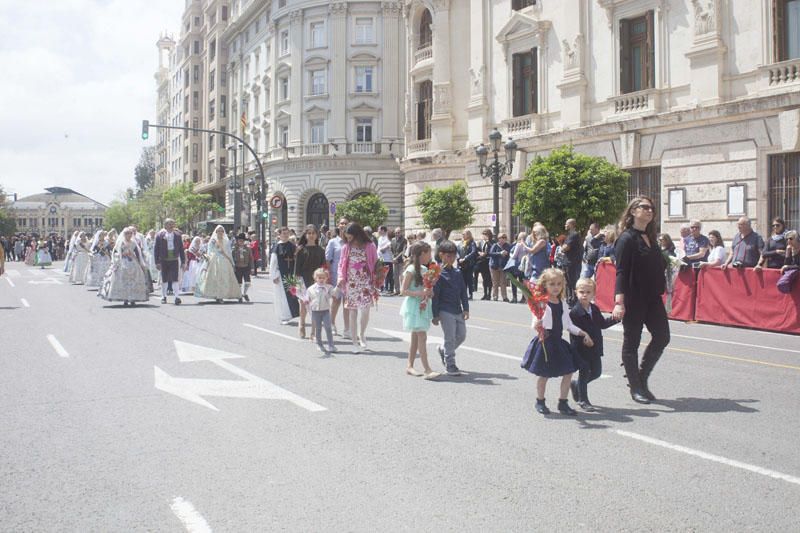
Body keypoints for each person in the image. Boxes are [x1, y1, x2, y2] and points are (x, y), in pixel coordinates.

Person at [612, 196, 670, 404]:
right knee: (632, 342)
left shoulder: (651, 238)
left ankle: (641, 377)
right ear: (633, 211)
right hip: (633, 297)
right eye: (644, 207)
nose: (649, 210)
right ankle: (635, 387)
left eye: (652, 208)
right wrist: (619, 302)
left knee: (662, 336)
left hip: (653, 298)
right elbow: (620, 271)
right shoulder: (626, 238)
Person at [520, 268, 589, 416]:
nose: (556, 287)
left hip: (558, 342)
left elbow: (568, 324)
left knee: (569, 372)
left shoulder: (562, 302)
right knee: (544, 375)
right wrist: (537, 325)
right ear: (545, 285)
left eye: (559, 284)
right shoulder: (541, 303)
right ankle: (540, 400)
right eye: (552, 284)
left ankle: (563, 403)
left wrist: (582, 332)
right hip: (545, 341)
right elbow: (535, 321)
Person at [569, 278, 617, 411]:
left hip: (595, 347)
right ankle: (583, 400)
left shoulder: (594, 309)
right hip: (581, 349)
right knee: (584, 373)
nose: (584, 294)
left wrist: (616, 318)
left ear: (593, 294)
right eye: (581, 292)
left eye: (588, 292)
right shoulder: (575, 312)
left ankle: (576, 385)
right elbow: (573, 332)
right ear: (576, 293)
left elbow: (602, 324)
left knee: (596, 372)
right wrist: (583, 339)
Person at [399, 241, 441, 380]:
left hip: (423, 304)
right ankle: (427, 369)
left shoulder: (424, 269)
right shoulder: (411, 269)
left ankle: (409, 366)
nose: (431, 255)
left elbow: (427, 287)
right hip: (413, 306)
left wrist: (429, 292)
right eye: (429, 252)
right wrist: (420, 293)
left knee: (416, 337)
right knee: (422, 336)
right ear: (422, 254)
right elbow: (403, 291)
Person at [336, 222, 378, 353]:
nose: (348, 240)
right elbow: (341, 263)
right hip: (351, 283)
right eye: (346, 237)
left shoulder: (370, 246)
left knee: (365, 311)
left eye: (350, 237)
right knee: (352, 311)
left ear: (357, 235)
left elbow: (376, 262)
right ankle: (354, 342)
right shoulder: (346, 247)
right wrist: (340, 277)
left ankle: (362, 334)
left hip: (365, 282)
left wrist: (377, 279)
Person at [432, 241, 469, 376]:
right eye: (448, 256)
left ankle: (443, 350)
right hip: (444, 309)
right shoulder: (438, 273)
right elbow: (435, 296)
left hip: (457, 309)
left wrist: (466, 308)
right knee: (450, 337)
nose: (451, 259)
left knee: (462, 335)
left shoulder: (458, 272)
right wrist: (435, 315)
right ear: (441, 255)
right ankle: (450, 364)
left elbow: (463, 292)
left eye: (454, 256)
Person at [98, 227, 149, 306]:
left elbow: (138, 253)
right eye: (127, 234)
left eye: (130, 234)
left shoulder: (133, 243)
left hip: (133, 262)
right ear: (124, 235)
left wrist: (140, 263)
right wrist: (120, 256)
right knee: (123, 280)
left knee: (134, 280)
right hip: (123, 262)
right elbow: (115, 252)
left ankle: (133, 298)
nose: (129, 235)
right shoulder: (120, 242)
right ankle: (125, 298)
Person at [195, 225, 242, 303]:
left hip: (225, 260)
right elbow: (210, 250)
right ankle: (218, 295)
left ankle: (234, 294)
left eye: (221, 231)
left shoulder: (226, 241)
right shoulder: (213, 240)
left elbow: (228, 251)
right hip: (215, 260)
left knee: (227, 278)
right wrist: (210, 257)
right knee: (216, 277)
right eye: (218, 231)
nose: (220, 232)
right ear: (216, 232)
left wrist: (231, 262)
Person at [295, 225, 326, 338]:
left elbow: (323, 268)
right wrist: (297, 283)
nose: (311, 235)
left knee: (316, 307)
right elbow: (296, 269)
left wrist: (323, 282)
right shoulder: (301, 250)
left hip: (316, 281)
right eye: (309, 233)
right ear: (306, 235)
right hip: (303, 280)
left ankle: (314, 331)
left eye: (313, 233)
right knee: (303, 304)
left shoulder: (321, 250)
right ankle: (302, 324)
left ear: (317, 235)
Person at [270, 227, 300, 325]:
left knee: (292, 295)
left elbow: (296, 259)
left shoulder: (292, 245)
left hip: (291, 274)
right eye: (283, 233)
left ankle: (291, 314)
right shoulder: (277, 247)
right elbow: (273, 262)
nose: (286, 235)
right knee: (282, 296)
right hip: (280, 274)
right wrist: (274, 275)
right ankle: (283, 316)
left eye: (287, 233)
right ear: (280, 235)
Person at [326, 218, 350, 335]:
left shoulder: (351, 242)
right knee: (336, 301)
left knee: (347, 302)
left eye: (345, 223)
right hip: (336, 275)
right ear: (338, 225)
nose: (343, 225)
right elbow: (328, 260)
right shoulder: (333, 242)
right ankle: (331, 323)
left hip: (349, 276)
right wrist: (329, 276)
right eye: (341, 223)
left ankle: (347, 328)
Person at [306, 268, 337, 354]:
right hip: (315, 311)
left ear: (326, 278)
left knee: (328, 327)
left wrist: (338, 286)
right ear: (315, 278)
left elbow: (334, 294)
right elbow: (306, 299)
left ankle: (331, 345)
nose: (321, 279)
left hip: (325, 310)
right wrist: (304, 299)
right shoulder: (310, 289)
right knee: (318, 328)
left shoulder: (329, 287)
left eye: (323, 277)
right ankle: (319, 344)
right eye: (319, 277)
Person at [153, 219, 185, 305]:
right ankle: (164, 297)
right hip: (164, 260)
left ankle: (177, 297)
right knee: (164, 279)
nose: (171, 226)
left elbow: (181, 249)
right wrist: (157, 262)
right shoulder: (160, 235)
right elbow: (156, 250)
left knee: (175, 278)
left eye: (172, 224)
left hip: (174, 259)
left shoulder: (178, 235)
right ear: (165, 225)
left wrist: (183, 261)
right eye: (169, 224)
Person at [561, 218, 583, 305]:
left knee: (573, 282)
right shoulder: (569, 235)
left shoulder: (574, 235)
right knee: (567, 282)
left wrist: (563, 247)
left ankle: (574, 300)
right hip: (567, 262)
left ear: (572, 225)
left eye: (567, 224)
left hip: (572, 263)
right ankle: (569, 299)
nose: (565, 225)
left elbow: (565, 248)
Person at [507, 232, 532, 303]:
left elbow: (514, 256)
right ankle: (523, 298)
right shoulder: (528, 245)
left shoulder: (518, 244)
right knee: (523, 282)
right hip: (525, 266)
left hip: (517, 265)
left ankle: (514, 297)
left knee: (514, 282)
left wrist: (510, 254)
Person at [488, 233, 511, 301]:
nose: (504, 239)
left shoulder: (507, 246)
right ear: (499, 238)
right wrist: (500, 253)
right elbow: (491, 253)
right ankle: (495, 296)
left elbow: (510, 253)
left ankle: (504, 297)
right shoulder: (495, 245)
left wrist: (507, 253)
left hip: (503, 266)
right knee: (495, 282)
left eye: (505, 237)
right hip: (494, 266)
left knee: (503, 282)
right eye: (502, 237)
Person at [232, 233, 254, 302]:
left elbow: (251, 258)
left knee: (247, 282)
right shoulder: (234, 249)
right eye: (239, 240)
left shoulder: (248, 249)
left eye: (242, 240)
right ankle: (239, 295)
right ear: (237, 241)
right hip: (238, 267)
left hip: (246, 267)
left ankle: (244, 294)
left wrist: (252, 268)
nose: (241, 242)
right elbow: (232, 258)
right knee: (239, 283)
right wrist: (232, 267)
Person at [457, 230, 477, 300]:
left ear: (468, 235)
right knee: (462, 280)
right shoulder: (461, 243)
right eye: (462, 234)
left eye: (464, 234)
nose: (463, 235)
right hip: (461, 264)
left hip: (468, 264)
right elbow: (457, 251)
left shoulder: (472, 243)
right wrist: (459, 258)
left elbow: (473, 252)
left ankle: (470, 294)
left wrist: (465, 258)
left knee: (469, 279)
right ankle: (463, 294)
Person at [475, 229, 494, 300]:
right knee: (484, 279)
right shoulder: (480, 242)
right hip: (482, 262)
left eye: (486, 234)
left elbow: (492, 249)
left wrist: (488, 242)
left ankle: (489, 294)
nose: (484, 236)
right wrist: (480, 253)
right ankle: (485, 293)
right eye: (483, 234)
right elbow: (477, 250)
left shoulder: (492, 242)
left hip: (488, 261)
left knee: (489, 279)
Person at [377, 225, 394, 295]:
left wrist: (384, 248)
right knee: (381, 274)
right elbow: (379, 247)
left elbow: (389, 245)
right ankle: (382, 288)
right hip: (380, 259)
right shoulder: (380, 238)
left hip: (388, 259)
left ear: (383, 230)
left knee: (388, 275)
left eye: (379, 229)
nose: (378, 231)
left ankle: (389, 289)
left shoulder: (388, 237)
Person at [390, 227, 407, 297]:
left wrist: (396, 258)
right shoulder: (393, 240)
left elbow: (403, 251)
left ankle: (402, 291)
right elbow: (391, 250)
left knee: (401, 276)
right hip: (394, 260)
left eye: (398, 232)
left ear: (401, 232)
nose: (397, 234)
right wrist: (393, 258)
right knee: (395, 276)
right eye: (396, 233)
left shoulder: (404, 240)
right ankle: (397, 290)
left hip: (400, 260)